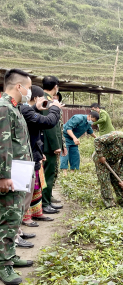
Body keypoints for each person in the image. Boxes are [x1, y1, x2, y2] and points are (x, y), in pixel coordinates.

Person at [0, 69, 34, 285]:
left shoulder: (14, 107)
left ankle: (10, 256)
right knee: (7, 219)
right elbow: (2, 144)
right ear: (19, 86)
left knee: (15, 216)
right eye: (29, 88)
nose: (29, 92)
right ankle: (3, 265)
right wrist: (3, 176)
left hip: (19, 171)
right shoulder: (4, 108)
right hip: (10, 173)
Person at [20, 85, 63, 228]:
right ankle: (25, 219)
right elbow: (48, 123)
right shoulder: (24, 108)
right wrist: (55, 107)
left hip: (34, 152)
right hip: (26, 155)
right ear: (37, 97)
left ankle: (36, 212)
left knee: (35, 185)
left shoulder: (27, 109)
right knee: (26, 190)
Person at [41, 76, 66, 214]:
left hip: (50, 144)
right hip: (48, 145)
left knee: (49, 174)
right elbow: (49, 125)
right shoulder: (46, 101)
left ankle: (47, 200)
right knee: (47, 174)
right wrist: (56, 145)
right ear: (55, 86)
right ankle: (44, 203)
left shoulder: (49, 100)